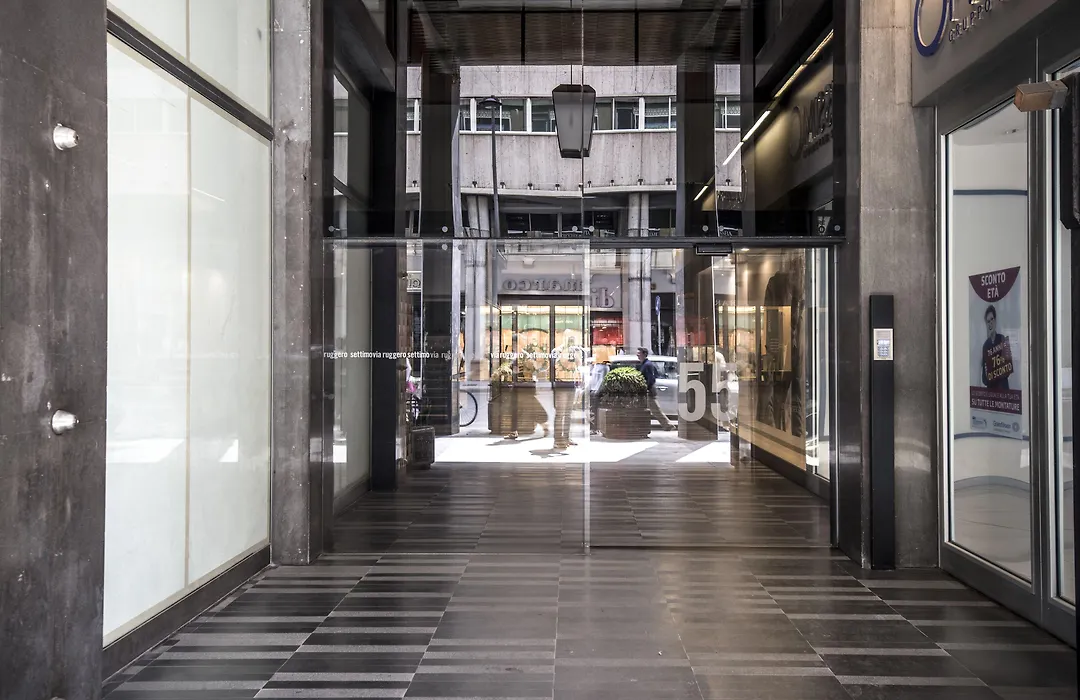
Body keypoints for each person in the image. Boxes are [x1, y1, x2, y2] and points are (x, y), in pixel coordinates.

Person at [637, 347, 675, 431]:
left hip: (648, 392)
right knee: (652, 410)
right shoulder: (644, 364)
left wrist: (646, 388)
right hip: (646, 392)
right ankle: (667, 425)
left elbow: (651, 379)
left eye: (639, 353)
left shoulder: (647, 365)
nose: (637, 355)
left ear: (644, 354)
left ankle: (668, 425)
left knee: (655, 410)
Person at [981, 305, 1013, 390]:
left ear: (995, 320)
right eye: (988, 321)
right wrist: (988, 375)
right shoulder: (985, 346)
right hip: (992, 391)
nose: (990, 323)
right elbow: (984, 379)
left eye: (992, 319)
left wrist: (997, 372)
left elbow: (1008, 368)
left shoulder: (1002, 339)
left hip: (1003, 390)